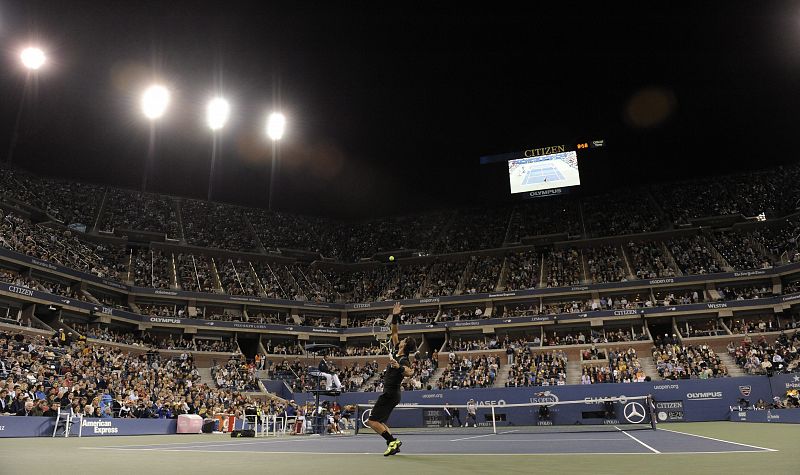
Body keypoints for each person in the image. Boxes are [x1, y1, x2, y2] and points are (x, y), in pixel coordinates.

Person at [365, 302, 417, 457]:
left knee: (372, 422)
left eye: (403, 339)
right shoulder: (396, 350)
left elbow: (409, 373)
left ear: (405, 345)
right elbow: (394, 332)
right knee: (380, 422)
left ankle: (391, 441)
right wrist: (395, 315)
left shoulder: (403, 360)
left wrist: (398, 367)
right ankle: (394, 444)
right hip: (392, 394)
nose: (400, 339)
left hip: (390, 393)